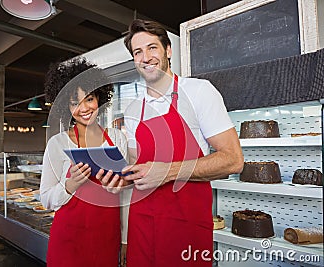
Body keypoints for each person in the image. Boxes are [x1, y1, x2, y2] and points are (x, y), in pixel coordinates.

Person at [98, 19, 244, 266]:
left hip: (185, 227)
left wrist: (167, 172)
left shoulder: (199, 91)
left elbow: (233, 160)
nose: (146, 57)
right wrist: (119, 180)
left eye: (152, 47)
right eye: (138, 52)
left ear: (167, 50)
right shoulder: (134, 109)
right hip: (142, 224)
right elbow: (136, 168)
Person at [40, 57, 129, 267]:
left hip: (107, 237)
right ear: (66, 107)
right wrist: (69, 185)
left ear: (99, 97)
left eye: (89, 98)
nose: (84, 108)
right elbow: (46, 200)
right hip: (68, 240)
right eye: (74, 102)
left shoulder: (117, 138)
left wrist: (125, 240)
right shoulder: (57, 144)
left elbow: (126, 196)